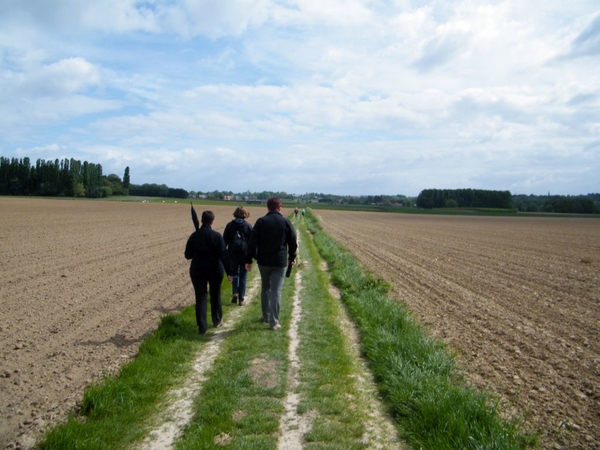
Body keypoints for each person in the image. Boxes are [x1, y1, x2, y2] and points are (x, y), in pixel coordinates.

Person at [245, 197, 297, 330]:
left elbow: (252, 242)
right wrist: (292, 257)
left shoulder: (261, 222)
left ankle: (266, 316)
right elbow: (292, 242)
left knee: (265, 288)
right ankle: (274, 322)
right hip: (279, 262)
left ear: (267, 208)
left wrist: (249, 260)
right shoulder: (285, 222)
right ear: (279, 207)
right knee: (276, 291)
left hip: (263, 261)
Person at [185, 210, 234, 335]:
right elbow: (224, 255)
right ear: (212, 222)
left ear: (201, 220)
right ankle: (217, 320)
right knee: (215, 294)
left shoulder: (194, 236)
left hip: (197, 269)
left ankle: (202, 327)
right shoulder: (217, 236)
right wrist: (230, 272)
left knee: (200, 297)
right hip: (215, 269)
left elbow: (187, 255)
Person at [223, 206, 253, 306]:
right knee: (243, 275)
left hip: (232, 253)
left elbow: (224, 241)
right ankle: (241, 299)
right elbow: (252, 242)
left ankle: (235, 291)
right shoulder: (248, 226)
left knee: (234, 273)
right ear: (245, 214)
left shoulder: (229, 225)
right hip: (244, 254)